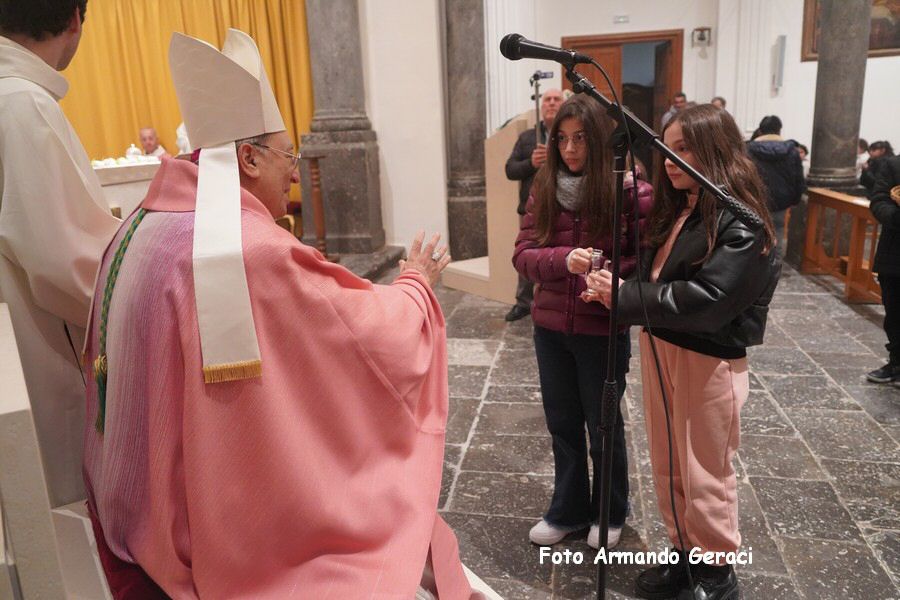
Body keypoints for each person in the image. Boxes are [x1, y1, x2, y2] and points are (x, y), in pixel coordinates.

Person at [83, 30, 478, 599]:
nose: (294, 174)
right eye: (287, 157)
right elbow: (361, 335)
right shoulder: (246, 250)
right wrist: (416, 285)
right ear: (247, 158)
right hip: (212, 532)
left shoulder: (138, 226)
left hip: (131, 507)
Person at [586, 104, 780, 600]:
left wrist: (625, 298)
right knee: (668, 460)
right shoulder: (684, 207)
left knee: (705, 468)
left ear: (715, 149)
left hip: (707, 356)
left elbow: (709, 303)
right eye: (668, 147)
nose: (671, 159)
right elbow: (663, 282)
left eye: (685, 147)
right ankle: (682, 554)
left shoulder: (742, 220)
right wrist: (616, 287)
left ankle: (715, 571)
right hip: (661, 344)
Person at [512, 95, 653, 550]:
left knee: (604, 425)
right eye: (562, 139)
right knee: (562, 423)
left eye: (580, 139)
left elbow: (648, 260)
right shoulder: (544, 185)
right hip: (551, 327)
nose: (570, 149)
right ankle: (568, 510)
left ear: (598, 140)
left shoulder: (630, 190)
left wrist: (612, 278)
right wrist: (562, 260)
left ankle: (610, 511)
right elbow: (524, 254)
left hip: (602, 327)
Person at [0, 0, 119, 508]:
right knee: (57, 512)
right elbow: (67, 265)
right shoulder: (22, 105)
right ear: (74, 18)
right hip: (35, 351)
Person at [505, 87, 564, 322]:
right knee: (526, 253)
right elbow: (510, 170)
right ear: (541, 106)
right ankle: (523, 302)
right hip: (531, 206)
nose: (551, 103)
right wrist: (530, 162)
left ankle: (554, 301)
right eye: (547, 99)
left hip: (561, 205)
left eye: (556, 99)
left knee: (558, 253)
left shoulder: (569, 136)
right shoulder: (527, 138)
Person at [746, 115, 805, 251]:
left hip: (755, 200)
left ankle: (755, 268)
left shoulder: (748, 150)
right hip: (781, 201)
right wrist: (794, 200)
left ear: (760, 131)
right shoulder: (792, 151)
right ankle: (775, 267)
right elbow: (798, 179)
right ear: (779, 130)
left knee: (753, 235)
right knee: (777, 234)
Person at [866, 155, 900, 385]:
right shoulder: (894, 165)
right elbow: (878, 201)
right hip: (895, 255)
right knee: (895, 313)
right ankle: (896, 362)